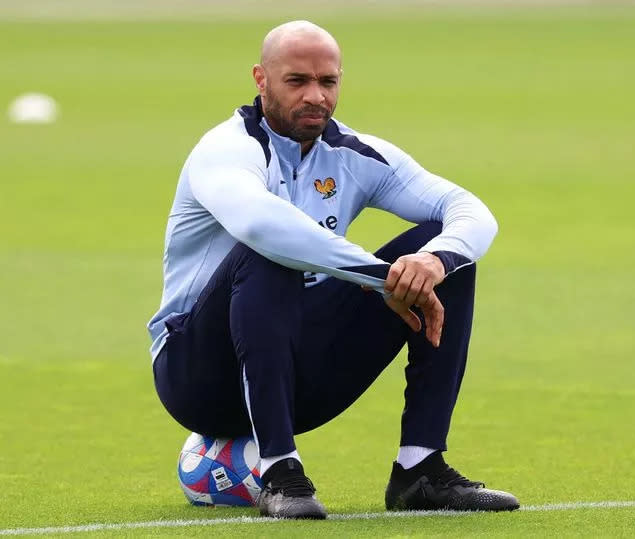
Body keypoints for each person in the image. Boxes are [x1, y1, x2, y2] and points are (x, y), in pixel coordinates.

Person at [147, 20, 518, 519]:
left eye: (328, 82)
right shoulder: (225, 150)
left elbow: (470, 210)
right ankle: (280, 472)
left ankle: (420, 470)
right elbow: (262, 226)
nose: (315, 96)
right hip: (197, 376)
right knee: (270, 255)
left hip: (300, 374)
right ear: (261, 80)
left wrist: (432, 261)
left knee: (445, 262)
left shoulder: (353, 154)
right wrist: (381, 276)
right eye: (296, 81)